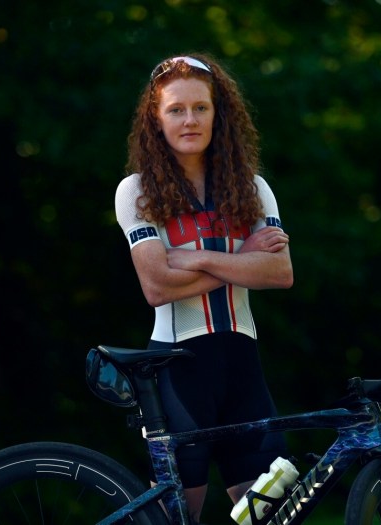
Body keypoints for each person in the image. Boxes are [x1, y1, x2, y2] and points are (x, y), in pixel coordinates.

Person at [114, 53, 294, 523]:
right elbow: (157, 285)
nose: (189, 119)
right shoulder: (136, 190)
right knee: (178, 519)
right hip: (178, 374)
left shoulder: (253, 188)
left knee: (267, 517)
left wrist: (195, 258)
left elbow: (279, 273)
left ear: (219, 113)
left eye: (200, 107)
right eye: (175, 109)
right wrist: (243, 258)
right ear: (156, 118)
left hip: (242, 370)